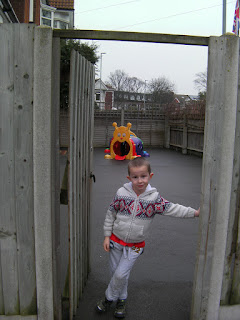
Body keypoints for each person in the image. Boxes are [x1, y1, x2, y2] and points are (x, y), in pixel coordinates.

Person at [96, 157, 200, 318]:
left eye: (143, 176)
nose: (139, 181)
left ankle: (108, 298)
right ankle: (122, 300)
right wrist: (106, 236)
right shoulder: (121, 193)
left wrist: (194, 213)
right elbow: (111, 213)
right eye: (135, 177)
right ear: (129, 178)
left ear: (150, 176)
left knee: (120, 274)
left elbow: (173, 208)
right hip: (116, 241)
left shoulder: (154, 199)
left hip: (136, 245)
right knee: (116, 273)